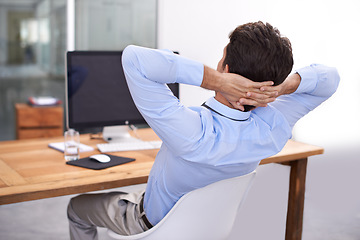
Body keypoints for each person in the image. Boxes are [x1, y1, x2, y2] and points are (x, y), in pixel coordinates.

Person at [67, 21, 340, 239]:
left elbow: (135, 59)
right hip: (208, 229)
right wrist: (282, 88)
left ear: (226, 69)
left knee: (76, 208)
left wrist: (215, 81)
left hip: (151, 227)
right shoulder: (273, 127)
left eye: (221, 62)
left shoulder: (192, 131)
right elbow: (330, 79)